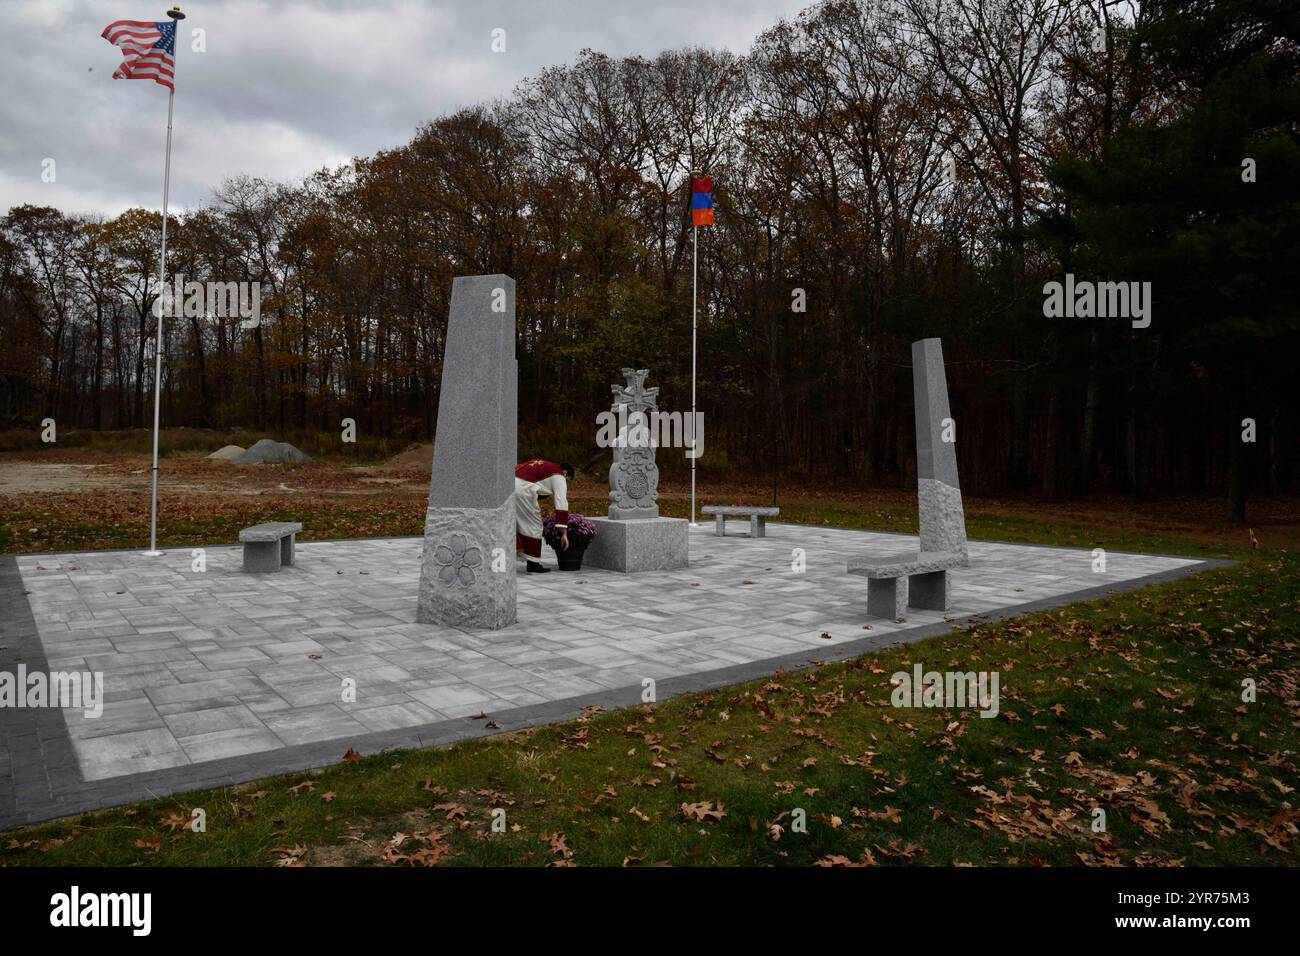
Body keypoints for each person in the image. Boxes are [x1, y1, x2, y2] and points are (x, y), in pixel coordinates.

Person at [514, 459, 574, 573]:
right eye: (567, 480)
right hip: (523, 490)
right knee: (534, 525)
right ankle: (533, 564)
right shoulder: (559, 474)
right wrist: (564, 533)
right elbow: (561, 502)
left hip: (511, 484)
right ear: (565, 472)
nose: (565, 483)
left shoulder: (544, 465)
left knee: (516, 523)